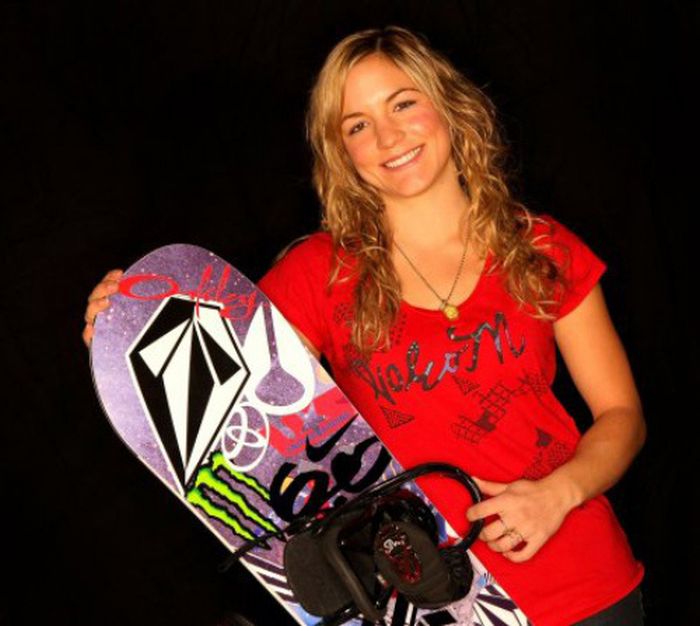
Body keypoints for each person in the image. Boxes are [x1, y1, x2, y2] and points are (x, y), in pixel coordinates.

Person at [83, 26, 646, 626]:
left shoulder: (542, 248)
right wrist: (130, 328)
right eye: (357, 125)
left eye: (402, 104)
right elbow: (222, 403)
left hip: (587, 586)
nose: (387, 136)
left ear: (450, 107)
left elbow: (622, 415)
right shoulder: (320, 273)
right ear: (341, 152)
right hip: (427, 606)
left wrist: (559, 493)